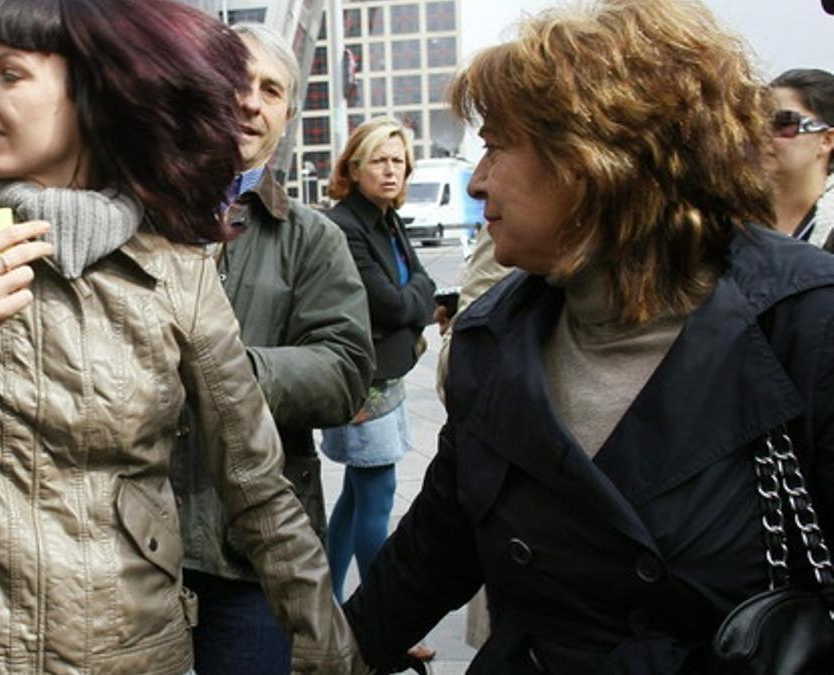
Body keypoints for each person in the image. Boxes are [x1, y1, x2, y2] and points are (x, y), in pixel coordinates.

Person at [0, 1, 363, 673]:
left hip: (135, 651)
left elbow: (257, 483)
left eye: (10, 73)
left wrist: (329, 647)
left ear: (99, 87)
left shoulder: (176, 260)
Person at [342, 1, 834, 673]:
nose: (478, 178)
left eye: (497, 144)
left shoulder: (806, 319)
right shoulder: (493, 338)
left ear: (597, 155)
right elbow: (433, 550)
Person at [168, 22, 373, 675]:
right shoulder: (137, 221)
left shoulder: (309, 238)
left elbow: (345, 370)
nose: (250, 101)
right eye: (235, 82)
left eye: (271, 89)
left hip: (252, 559)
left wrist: (230, 370)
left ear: (286, 114)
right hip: (134, 553)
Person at [321, 116, 437, 605]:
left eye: (398, 161)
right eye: (379, 161)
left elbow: (422, 284)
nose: (391, 171)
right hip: (363, 384)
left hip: (385, 380)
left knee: (356, 496)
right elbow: (389, 302)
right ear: (353, 167)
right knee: (376, 496)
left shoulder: (385, 217)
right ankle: (380, 615)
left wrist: (414, 300)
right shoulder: (345, 225)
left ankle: (324, 603)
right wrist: (416, 303)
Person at [766, 68, 833, 249]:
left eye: (783, 124)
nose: (761, 134)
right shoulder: (726, 218)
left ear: (826, 140)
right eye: (754, 121)